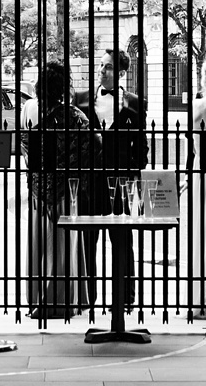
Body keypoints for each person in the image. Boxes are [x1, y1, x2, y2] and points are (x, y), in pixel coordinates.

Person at [23, 60, 98, 319]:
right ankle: (68, 298)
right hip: (69, 191)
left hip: (38, 191)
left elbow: (28, 154)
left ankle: (38, 298)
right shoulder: (77, 117)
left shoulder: (30, 110)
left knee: (40, 245)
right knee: (65, 245)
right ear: (64, 86)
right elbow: (90, 153)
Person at [84, 48, 144, 311]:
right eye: (100, 65)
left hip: (120, 184)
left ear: (121, 73)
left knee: (122, 241)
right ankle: (88, 297)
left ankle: (125, 298)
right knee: (88, 240)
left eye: (107, 67)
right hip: (89, 183)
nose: (101, 70)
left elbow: (141, 148)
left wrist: (129, 171)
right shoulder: (83, 100)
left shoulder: (135, 103)